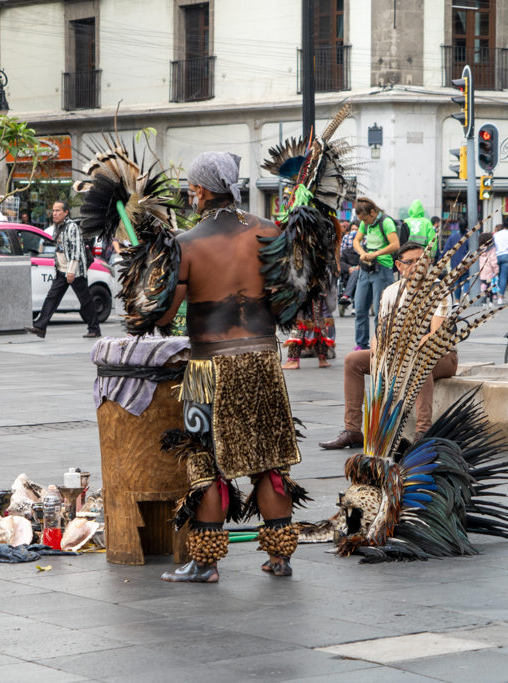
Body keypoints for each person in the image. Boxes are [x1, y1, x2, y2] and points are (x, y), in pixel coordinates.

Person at [151, 152, 307, 581]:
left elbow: (163, 316)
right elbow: (287, 299)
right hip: (261, 360)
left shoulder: (188, 243)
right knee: (270, 461)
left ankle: (205, 563)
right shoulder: (269, 231)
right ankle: (279, 557)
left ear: (200, 190)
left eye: (190, 187)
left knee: (206, 461)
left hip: (209, 367)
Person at [319, 241, 458, 450]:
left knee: (419, 360)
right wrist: (378, 355)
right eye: (410, 262)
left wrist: (402, 353)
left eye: (422, 261)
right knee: (353, 361)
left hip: (441, 356)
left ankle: (423, 432)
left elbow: (434, 336)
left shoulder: (439, 289)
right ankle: (353, 430)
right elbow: (381, 333)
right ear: (399, 265)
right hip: (400, 354)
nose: (417, 266)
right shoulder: (391, 292)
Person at [26, 200, 101, 339]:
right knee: (52, 297)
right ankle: (40, 326)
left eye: (58, 210)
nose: (54, 213)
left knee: (85, 300)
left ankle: (94, 328)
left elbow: (76, 250)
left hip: (75, 271)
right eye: (53, 210)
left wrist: (71, 271)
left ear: (66, 212)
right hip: (62, 269)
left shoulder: (71, 227)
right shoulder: (57, 226)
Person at [351, 197, 399, 351]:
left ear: (373, 212)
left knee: (381, 310)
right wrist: (363, 253)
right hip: (366, 268)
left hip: (382, 268)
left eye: (365, 218)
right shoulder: (365, 223)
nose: (363, 222)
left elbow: (395, 244)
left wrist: (375, 254)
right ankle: (361, 343)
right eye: (360, 220)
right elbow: (356, 241)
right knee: (360, 308)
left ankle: (381, 342)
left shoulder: (386, 222)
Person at [442, 218, 470, 299]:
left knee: (456, 282)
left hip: (455, 263)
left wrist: (440, 259)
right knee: (466, 279)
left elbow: (446, 250)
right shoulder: (469, 236)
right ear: (467, 226)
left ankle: (457, 301)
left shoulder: (453, 237)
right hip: (466, 262)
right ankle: (465, 292)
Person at [493, 218, 508, 304]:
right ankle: (500, 297)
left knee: (497, 276)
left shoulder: (496, 234)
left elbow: (493, 246)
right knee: (503, 277)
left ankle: (495, 294)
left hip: (496, 256)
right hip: (507, 257)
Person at [477, 232, 499, 307]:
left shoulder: (478, 250)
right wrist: (496, 270)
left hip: (480, 272)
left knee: (482, 287)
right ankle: (490, 301)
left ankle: (483, 301)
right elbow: (494, 261)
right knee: (490, 287)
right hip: (489, 273)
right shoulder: (491, 250)